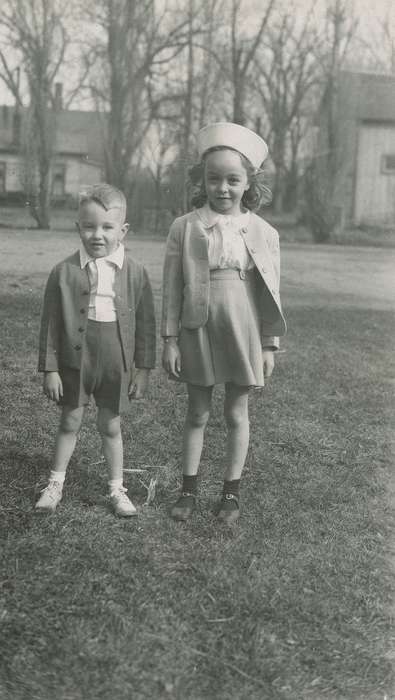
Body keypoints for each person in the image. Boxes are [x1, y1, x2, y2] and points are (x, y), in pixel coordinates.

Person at [161, 122, 286, 525]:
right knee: (197, 412)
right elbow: (171, 288)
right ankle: (189, 490)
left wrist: (268, 344)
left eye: (233, 180)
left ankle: (230, 493)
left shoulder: (263, 232)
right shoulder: (185, 226)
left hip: (242, 324)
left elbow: (271, 292)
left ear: (249, 182)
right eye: (214, 179)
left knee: (236, 412)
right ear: (202, 180)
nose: (223, 189)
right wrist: (170, 339)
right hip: (197, 327)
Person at [36, 183, 156, 516]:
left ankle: (117, 490)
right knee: (70, 420)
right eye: (89, 226)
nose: (97, 235)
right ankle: (55, 483)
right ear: (78, 228)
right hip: (77, 359)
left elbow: (146, 326)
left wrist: (143, 369)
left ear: (123, 230)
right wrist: (51, 368)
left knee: (111, 425)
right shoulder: (63, 272)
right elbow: (50, 324)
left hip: (116, 361)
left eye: (107, 227)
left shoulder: (136, 273)